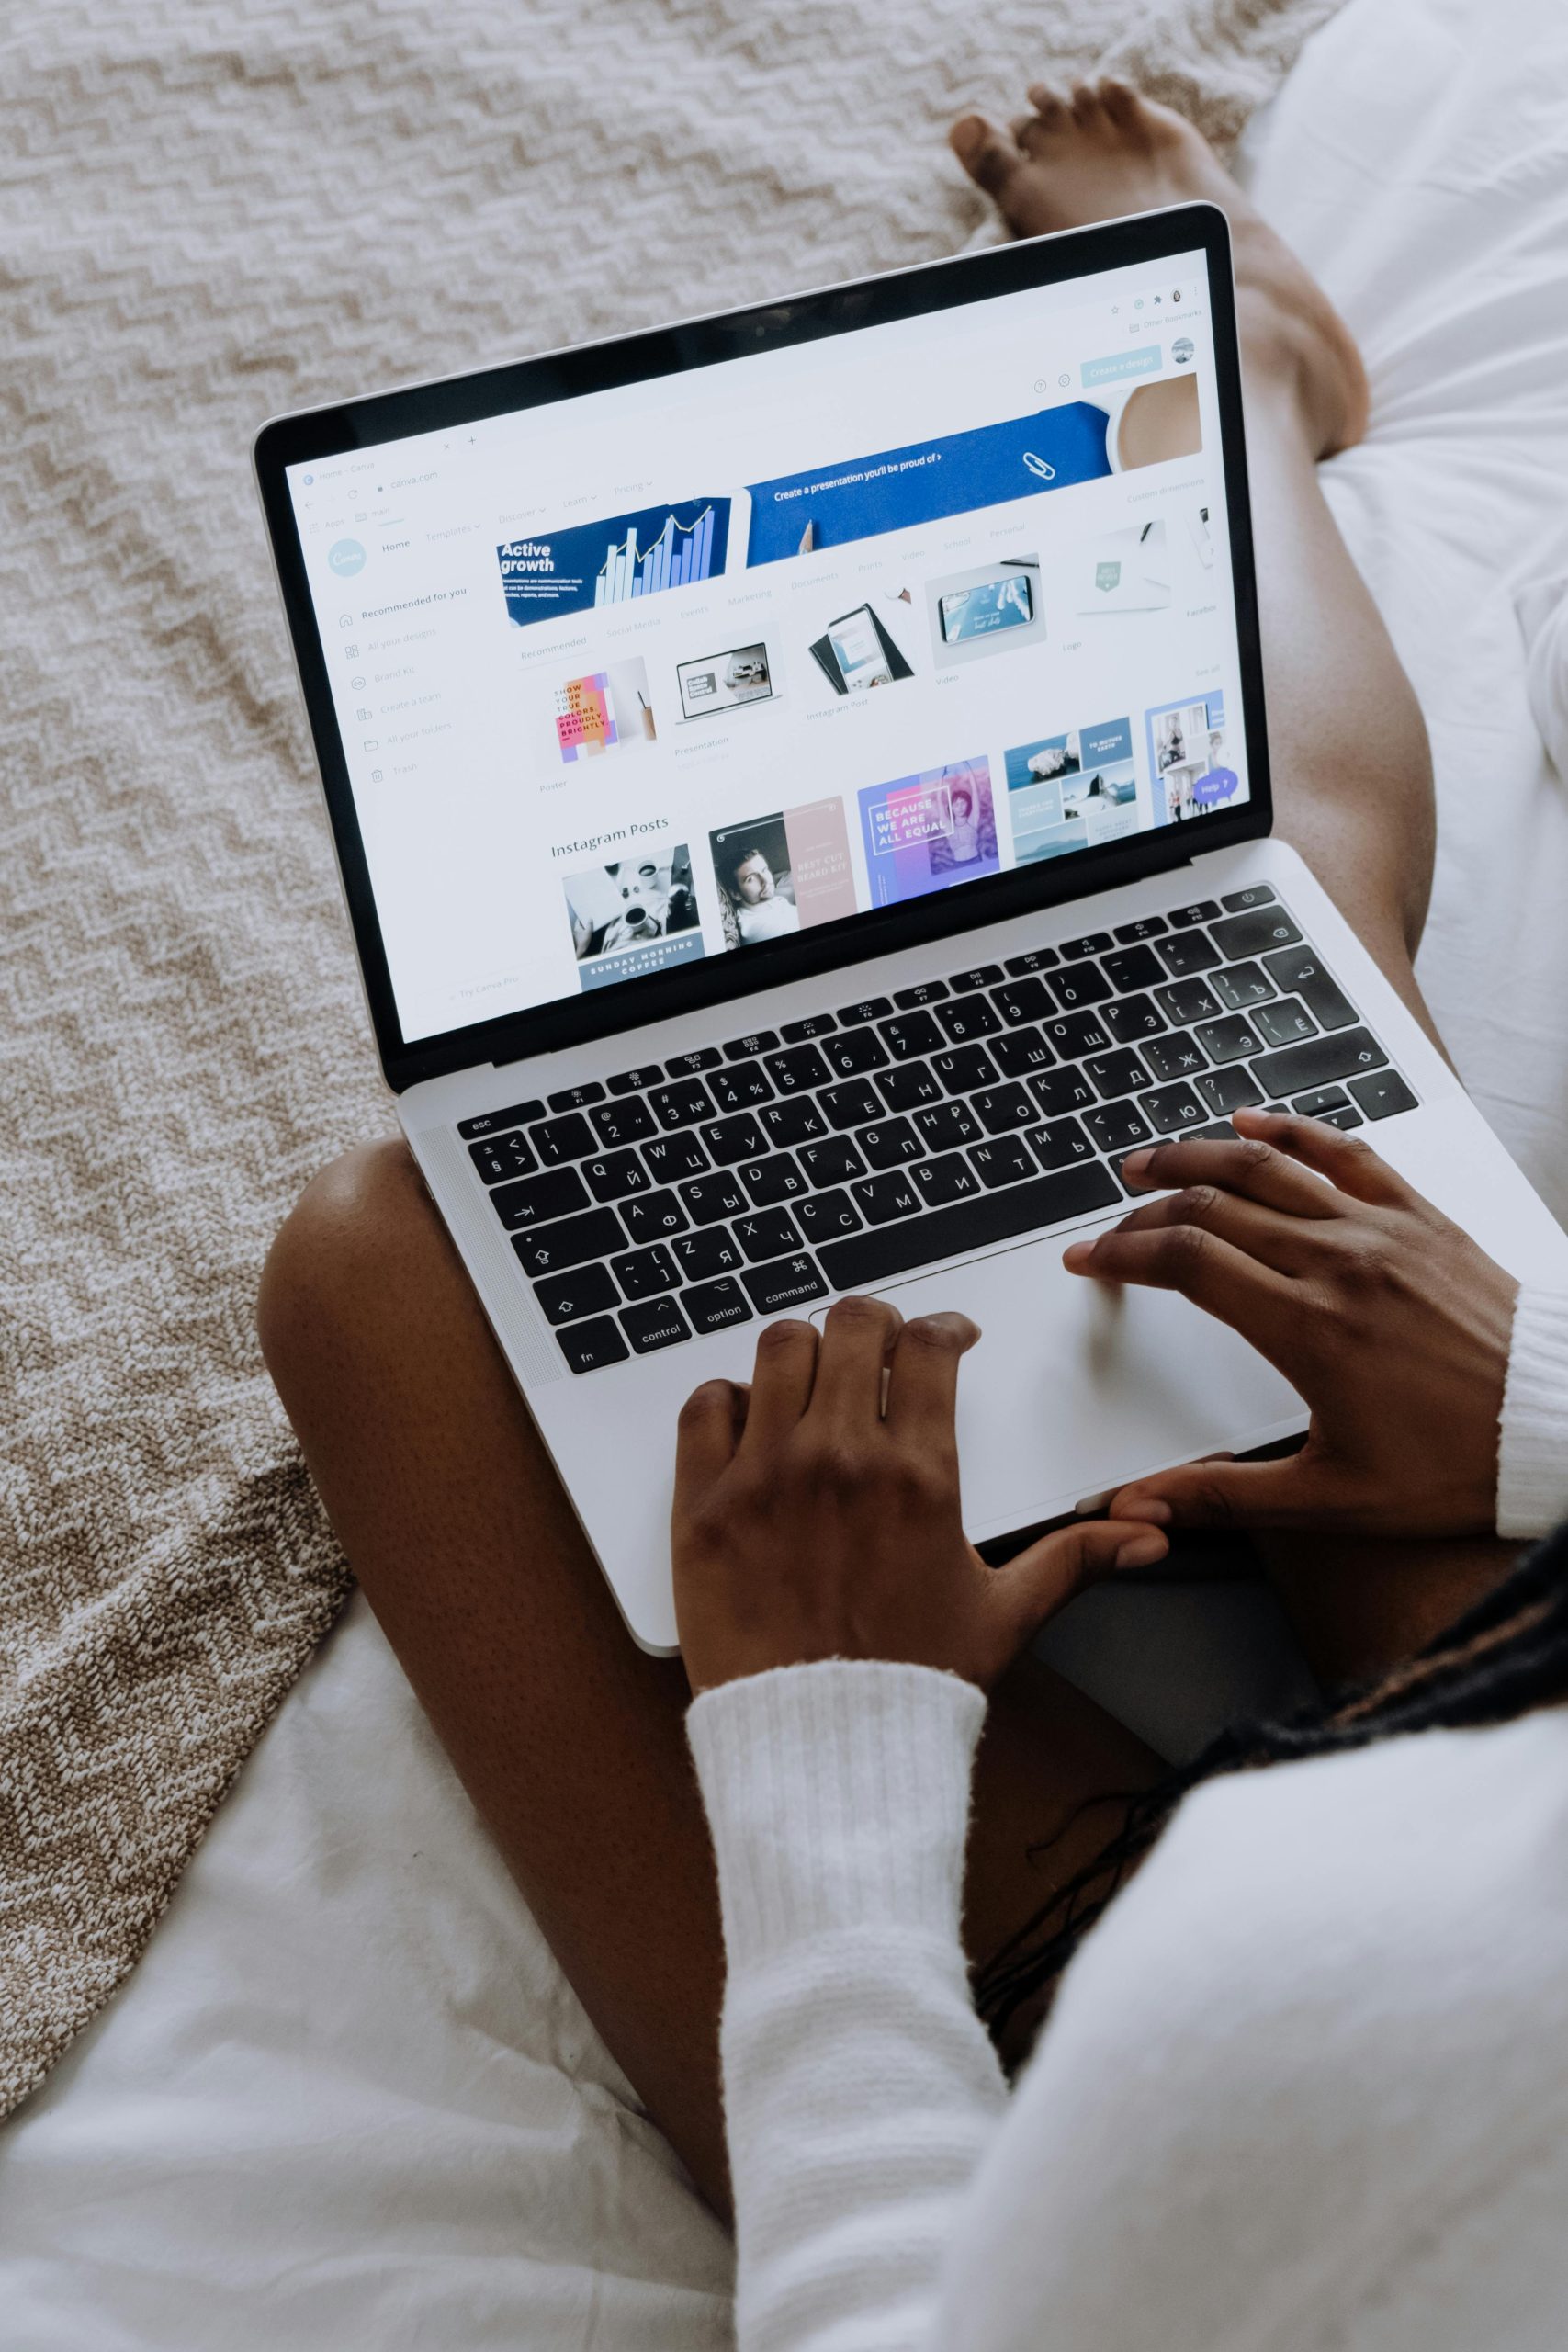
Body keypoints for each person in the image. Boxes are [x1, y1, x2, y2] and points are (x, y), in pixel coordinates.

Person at [255, 75, 1568, 2345]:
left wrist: (824, 1730)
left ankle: (1231, 355)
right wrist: (1534, 1395)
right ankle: (1232, 353)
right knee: (1279, 941)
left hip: (1155, 2103)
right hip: (1505, 1747)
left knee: (379, 1256)